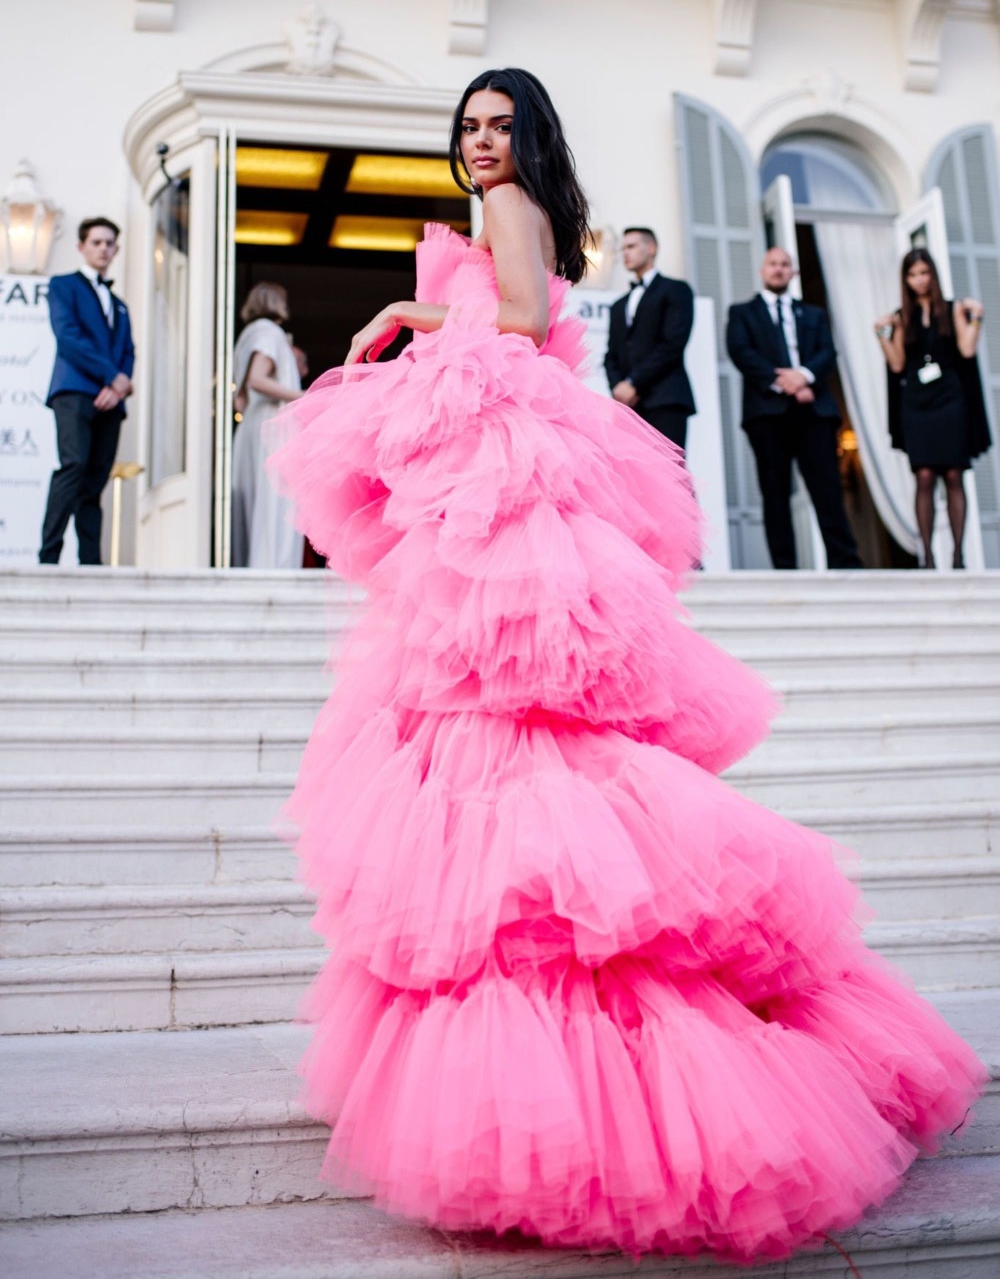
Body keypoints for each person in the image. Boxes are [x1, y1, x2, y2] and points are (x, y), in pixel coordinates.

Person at [266, 69, 983, 1263]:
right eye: (470, 127)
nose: (480, 143)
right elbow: (531, 330)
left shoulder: (510, 216)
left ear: (530, 137)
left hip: (509, 486)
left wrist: (403, 320)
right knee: (502, 728)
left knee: (505, 734)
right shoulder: (523, 214)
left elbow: (509, 322)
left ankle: (553, 1112)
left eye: (500, 127)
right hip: (508, 479)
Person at [727, 248, 862, 570]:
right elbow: (741, 352)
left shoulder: (813, 313)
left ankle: (846, 563)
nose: (778, 269)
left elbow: (827, 352)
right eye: (773, 264)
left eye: (785, 264)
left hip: (813, 414)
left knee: (827, 489)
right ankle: (785, 567)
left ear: (793, 273)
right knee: (775, 494)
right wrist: (786, 382)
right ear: (762, 270)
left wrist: (804, 377)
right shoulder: (742, 312)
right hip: (767, 414)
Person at [876, 247, 991, 569]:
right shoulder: (900, 318)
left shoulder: (952, 309)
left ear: (933, 274)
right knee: (924, 475)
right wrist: (882, 334)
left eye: (924, 273)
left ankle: (957, 555)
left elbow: (967, 350)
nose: (919, 280)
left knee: (954, 474)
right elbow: (897, 363)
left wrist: (977, 316)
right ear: (906, 279)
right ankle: (926, 555)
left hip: (950, 400)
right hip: (917, 403)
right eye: (912, 275)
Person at [39, 217, 134, 565]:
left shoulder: (119, 303)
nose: (103, 248)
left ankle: (91, 563)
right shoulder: (63, 285)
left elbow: (128, 350)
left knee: (94, 482)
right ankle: (48, 557)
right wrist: (112, 377)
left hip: (111, 401)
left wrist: (119, 385)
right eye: (96, 242)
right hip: (75, 392)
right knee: (73, 466)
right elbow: (69, 338)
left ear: (116, 249)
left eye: (110, 243)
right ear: (82, 246)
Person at [231, 282, 303, 569]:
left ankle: (256, 563)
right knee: (276, 499)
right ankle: (273, 567)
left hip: (252, 422)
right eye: (283, 299)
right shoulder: (268, 332)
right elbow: (257, 379)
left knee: (256, 499)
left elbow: (240, 399)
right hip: (271, 424)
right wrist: (304, 396)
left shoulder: (247, 336)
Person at [603, 227, 695, 449]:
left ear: (651, 248)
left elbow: (673, 344)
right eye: (623, 248)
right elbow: (611, 355)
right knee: (632, 477)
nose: (625, 253)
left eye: (631, 246)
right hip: (629, 407)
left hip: (665, 398)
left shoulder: (676, 290)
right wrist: (619, 387)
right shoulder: (618, 305)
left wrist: (634, 382)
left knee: (669, 476)